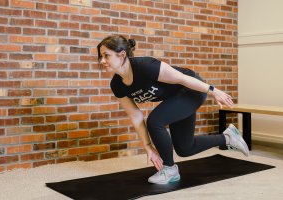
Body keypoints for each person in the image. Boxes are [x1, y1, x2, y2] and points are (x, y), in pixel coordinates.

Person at [97, 35, 249, 185]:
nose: (102, 61)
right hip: (176, 98)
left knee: (155, 121)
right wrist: (148, 147)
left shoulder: (145, 66)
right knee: (185, 148)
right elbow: (135, 116)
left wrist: (213, 91)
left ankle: (169, 169)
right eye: (100, 56)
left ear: (122, 54)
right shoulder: (117, 85)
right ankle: (228, 138)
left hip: (191, 90)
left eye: (106, 56)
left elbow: (182, 78)